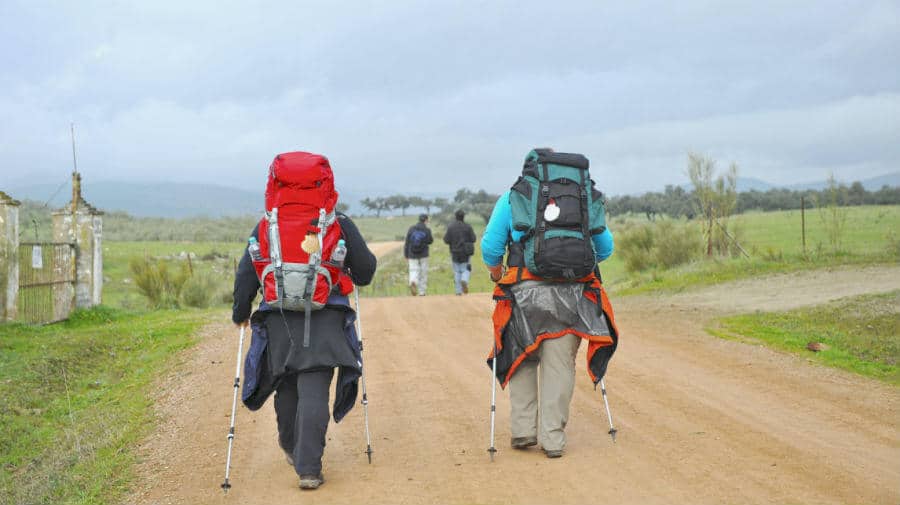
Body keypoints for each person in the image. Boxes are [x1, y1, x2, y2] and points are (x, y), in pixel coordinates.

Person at [232, 151, 377, 490]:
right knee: (315, 389)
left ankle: (291, 447)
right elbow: (366, 271)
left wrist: (240, 313)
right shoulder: (338, 224)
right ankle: (309, 468)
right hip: (326, 322)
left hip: (279, 322)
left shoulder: (267, 225)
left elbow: (245, 274)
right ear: (325, 184)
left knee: (285, 386)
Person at [482, 148, 619, 458]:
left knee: (523, 356)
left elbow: (491, 247)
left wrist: (496, 273)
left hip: (524, 292)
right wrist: (573, 262)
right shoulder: (583, 196)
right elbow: (606, 248)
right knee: (559, 364)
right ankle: (553, 438)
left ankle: (523, 431)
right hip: (572, 295)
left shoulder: (514, 196)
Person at [443, 209, 477, 295]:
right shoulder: (468, 227)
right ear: (463, 217)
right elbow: (473, 239)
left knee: (457, 271)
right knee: (466, 268)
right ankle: (464, 280)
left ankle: (458, 291)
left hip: (454, 252)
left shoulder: (451, 227)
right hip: (466, 252)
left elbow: (446, 240)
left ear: (455, 216)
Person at [403, 213, 433, 296]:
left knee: (413, 270)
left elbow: (407, 242)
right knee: (423, 272)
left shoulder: (411, 229)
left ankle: (413, 281)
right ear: (426, 220)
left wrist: (406, 254)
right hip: (424, 254)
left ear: (419, 219)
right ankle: (422, 292)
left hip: (412, 253)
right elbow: (430, 241)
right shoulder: (427, 230)